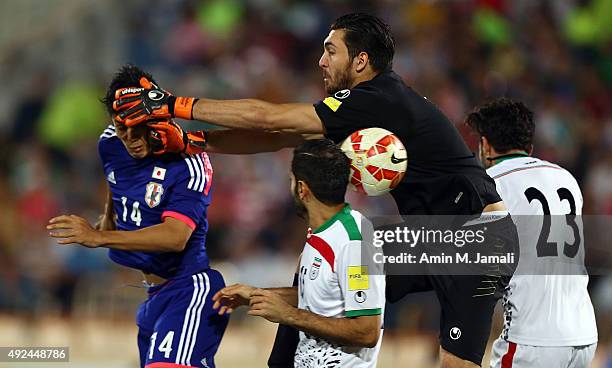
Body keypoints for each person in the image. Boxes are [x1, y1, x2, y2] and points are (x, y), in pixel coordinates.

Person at [111, 13, 516, 368]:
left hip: (477, 235)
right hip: (434, 236)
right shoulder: (372, 101)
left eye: (331, 51)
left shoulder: (376, 100)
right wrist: (190, 141)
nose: (321, 61)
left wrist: (169, 104)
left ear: (361, 61)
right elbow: (276, 136)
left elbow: (267, 118)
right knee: (325, 274)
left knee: (454, 362)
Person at [47, 65, 228, 368]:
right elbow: (115, 178)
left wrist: (98, 237)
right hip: (153, 297)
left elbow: (175, 237)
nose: (130, 137)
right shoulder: (109, 142)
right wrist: (109, 216)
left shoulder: (189, 160)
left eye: (138, 126)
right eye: (121, 128)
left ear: (156, 114)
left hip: (188, 290)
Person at [211, 139, 385, 367]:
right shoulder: (324, 231)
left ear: (302, 189)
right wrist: (257, 294)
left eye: (291, 181)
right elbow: (319, 297)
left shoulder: (353, 243)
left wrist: (288, 315)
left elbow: (367, 331)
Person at [466, 98, 598, 368]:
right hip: (584, 334)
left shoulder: (490, 186)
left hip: (533, 339)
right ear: (529, 145)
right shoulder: (567, 178)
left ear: (486, 145)